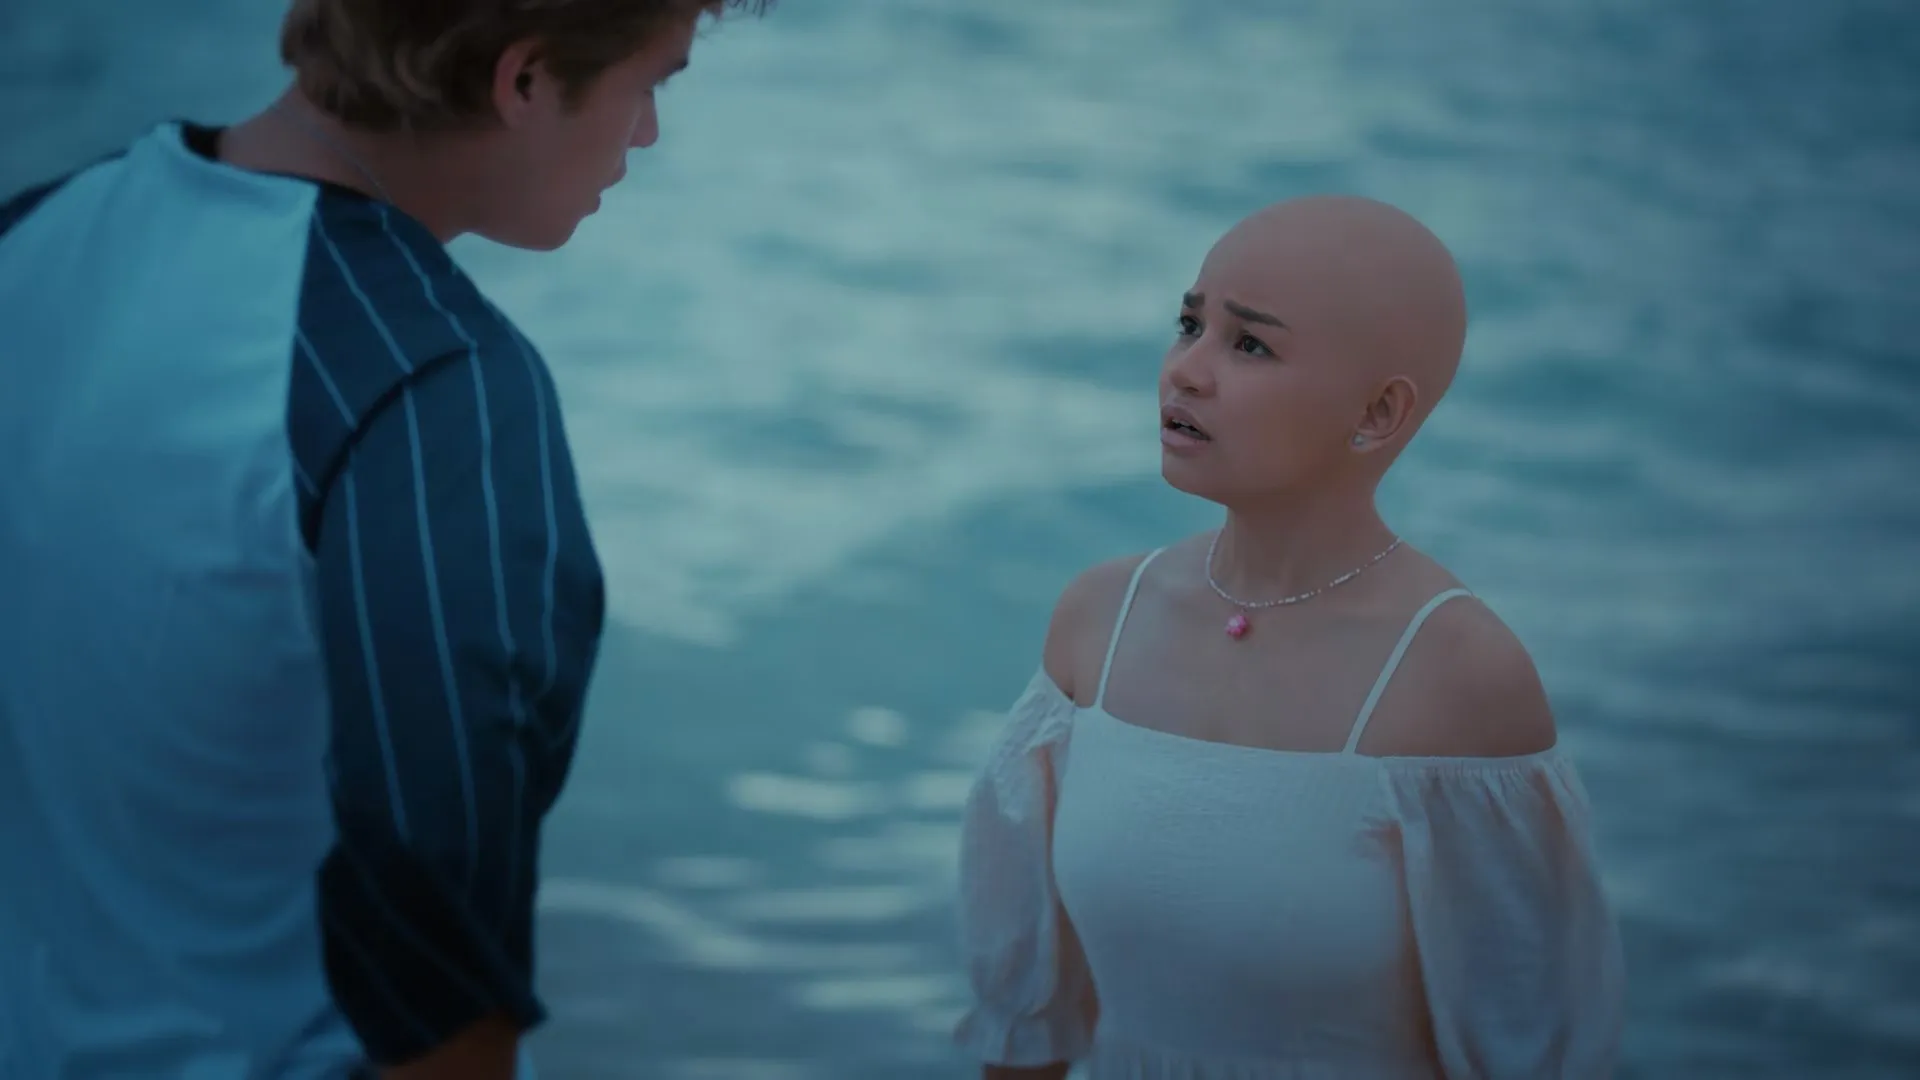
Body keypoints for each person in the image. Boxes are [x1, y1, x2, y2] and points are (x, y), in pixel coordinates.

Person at [0, 1, 772, 1077]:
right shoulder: (432, 386)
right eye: (651, 84)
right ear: (525, 80)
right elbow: (427, 881)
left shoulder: (33, 236)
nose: (645, 133)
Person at [952, 195, 1627, 1079]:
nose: (1186, 371)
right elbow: (1026, 1022)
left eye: (1250, 345)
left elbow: (1531, 1047)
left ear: (1378, 413)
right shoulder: (1099, 622)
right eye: (1189, 325)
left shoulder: (1458, 676)